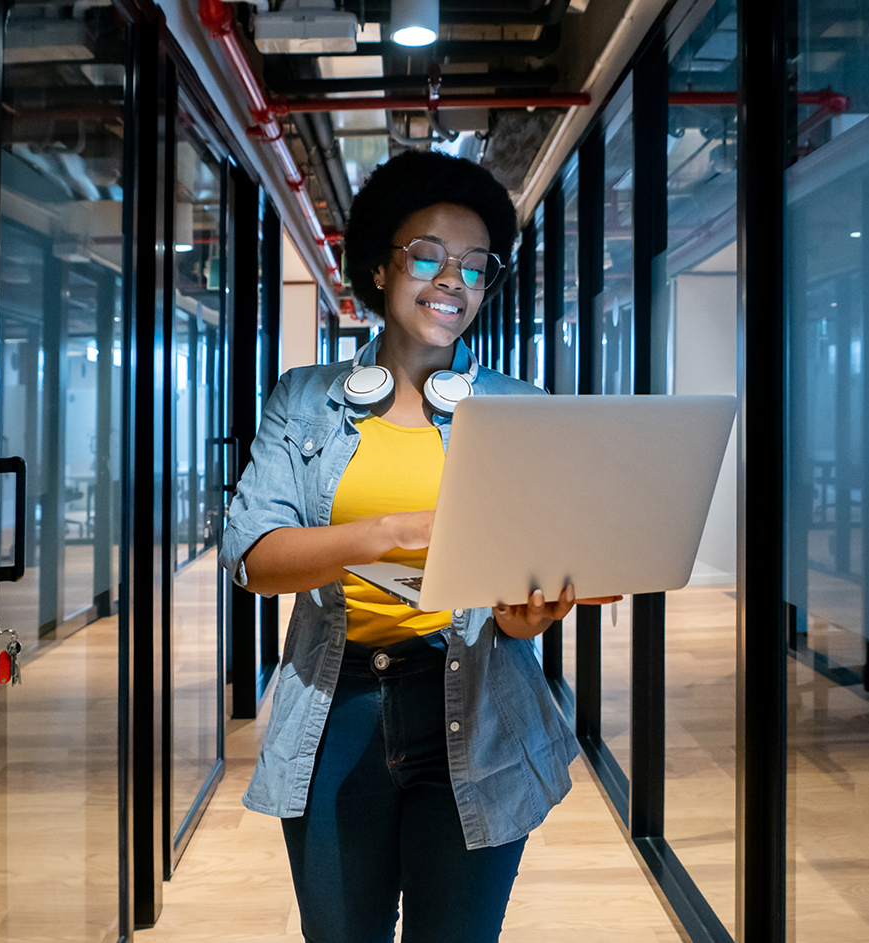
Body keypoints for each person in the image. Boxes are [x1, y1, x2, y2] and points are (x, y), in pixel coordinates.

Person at [220, 149, 613, 943]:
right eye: (428, 255)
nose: (452, 280)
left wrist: (526, 616)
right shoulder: (305, 397)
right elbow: (254, 556)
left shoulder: (518, 407)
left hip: (478, 705)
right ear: (379, 267)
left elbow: (525, 576)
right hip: (338, 708)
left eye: (474, 266)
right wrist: (394, 533)